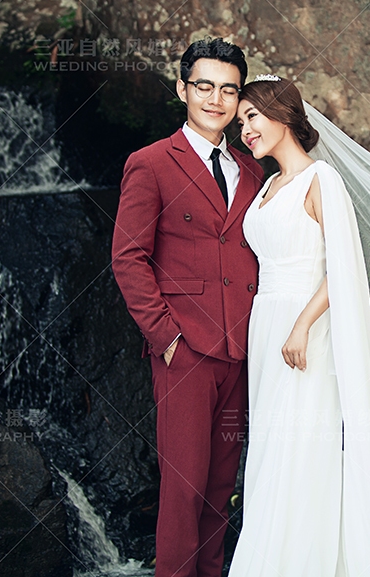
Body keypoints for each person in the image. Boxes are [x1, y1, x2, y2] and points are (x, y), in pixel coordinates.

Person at [229, 75, 370, 576]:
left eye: (252, 116)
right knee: (272, 448)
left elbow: (345, 266)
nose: (244, 129)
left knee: (301, 447)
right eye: (241, 120)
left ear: (283, 115)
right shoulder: (268, 185)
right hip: (266, 328)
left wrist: (301, 325)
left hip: (305, 330)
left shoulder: (322, 180)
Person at [111, 38, 264, 577]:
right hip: (186, 352)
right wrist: (167, 339)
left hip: (242, 350)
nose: (216, 99)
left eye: (228, 90)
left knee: (221, 488)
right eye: (204, 86)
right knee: (184, 490)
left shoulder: (252, 170)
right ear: (182, 89)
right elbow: (128, 257)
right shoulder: (150, 163)